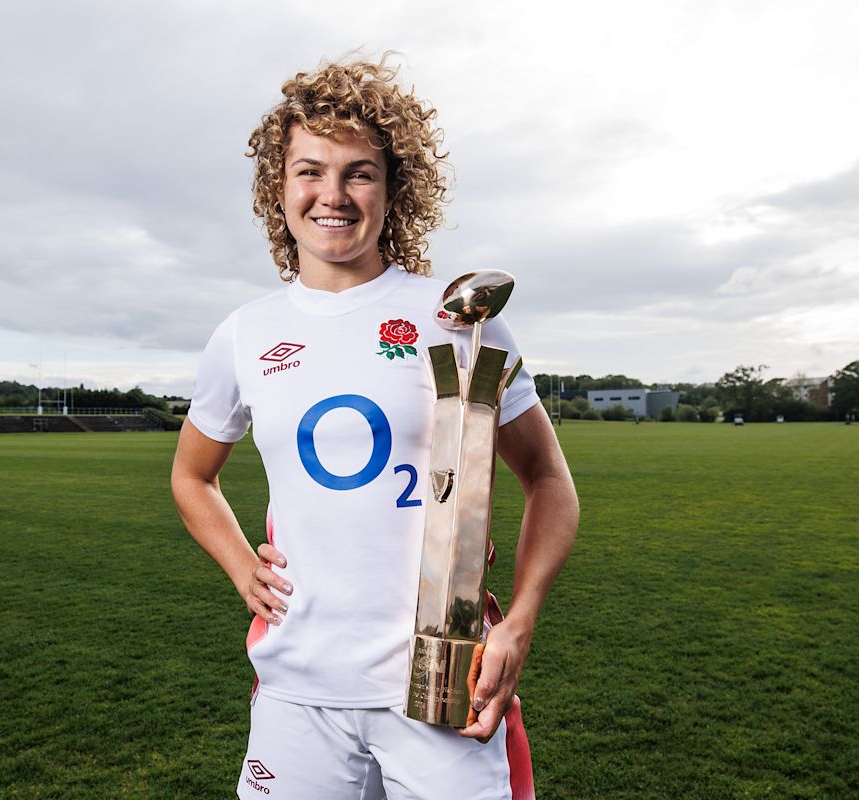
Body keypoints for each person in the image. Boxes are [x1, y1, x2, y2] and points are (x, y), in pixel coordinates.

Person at [171, 56, 579, 800]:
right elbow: (191, 475)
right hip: (298, 689)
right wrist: (241, 566)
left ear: (395, 189)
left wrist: (518, 623)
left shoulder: (458, 318)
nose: (333, 195)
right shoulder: (244, 334)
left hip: (443, 688)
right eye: (309, 171)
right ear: (278, 186)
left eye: (359, 172)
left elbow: (549, 481)